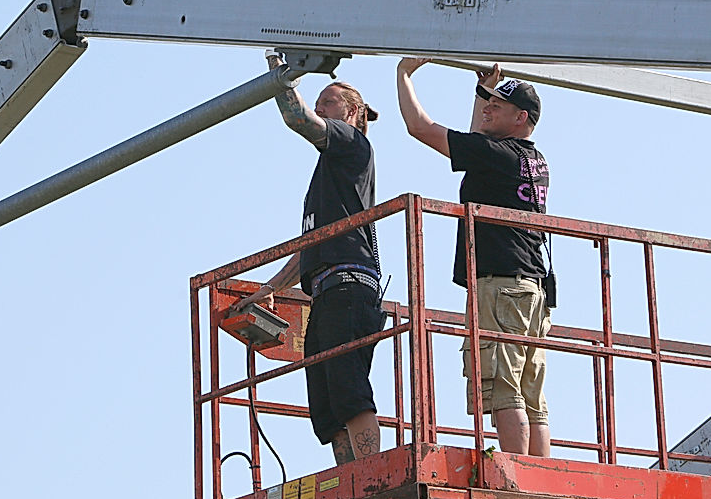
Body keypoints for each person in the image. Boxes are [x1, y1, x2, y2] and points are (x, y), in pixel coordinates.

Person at [233, 50, 385, 466]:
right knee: (328, 405)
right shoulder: (330, 177)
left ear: (352, 112)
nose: (319, 108)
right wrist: (267, 290)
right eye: (318, 103)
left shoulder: (354, 145)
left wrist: (280, 76)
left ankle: (371, 475)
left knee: (350, 390)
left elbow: (297, 118)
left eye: (328, 102)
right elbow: (312, 249)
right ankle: (350, 479)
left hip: (349, 287)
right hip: (328, 288)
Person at [395, 58, 552, 457]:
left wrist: (404, 74)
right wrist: (483, 92)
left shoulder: (496, 154)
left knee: (503, 386)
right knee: (530, 390)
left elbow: (419, 128)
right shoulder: (532, 159)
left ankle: (515, 476)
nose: (487, 109)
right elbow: (476, 142)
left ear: (521, 118)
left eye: (496, 106)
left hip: (500, 285)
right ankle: (540, 476)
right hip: (531, 288)